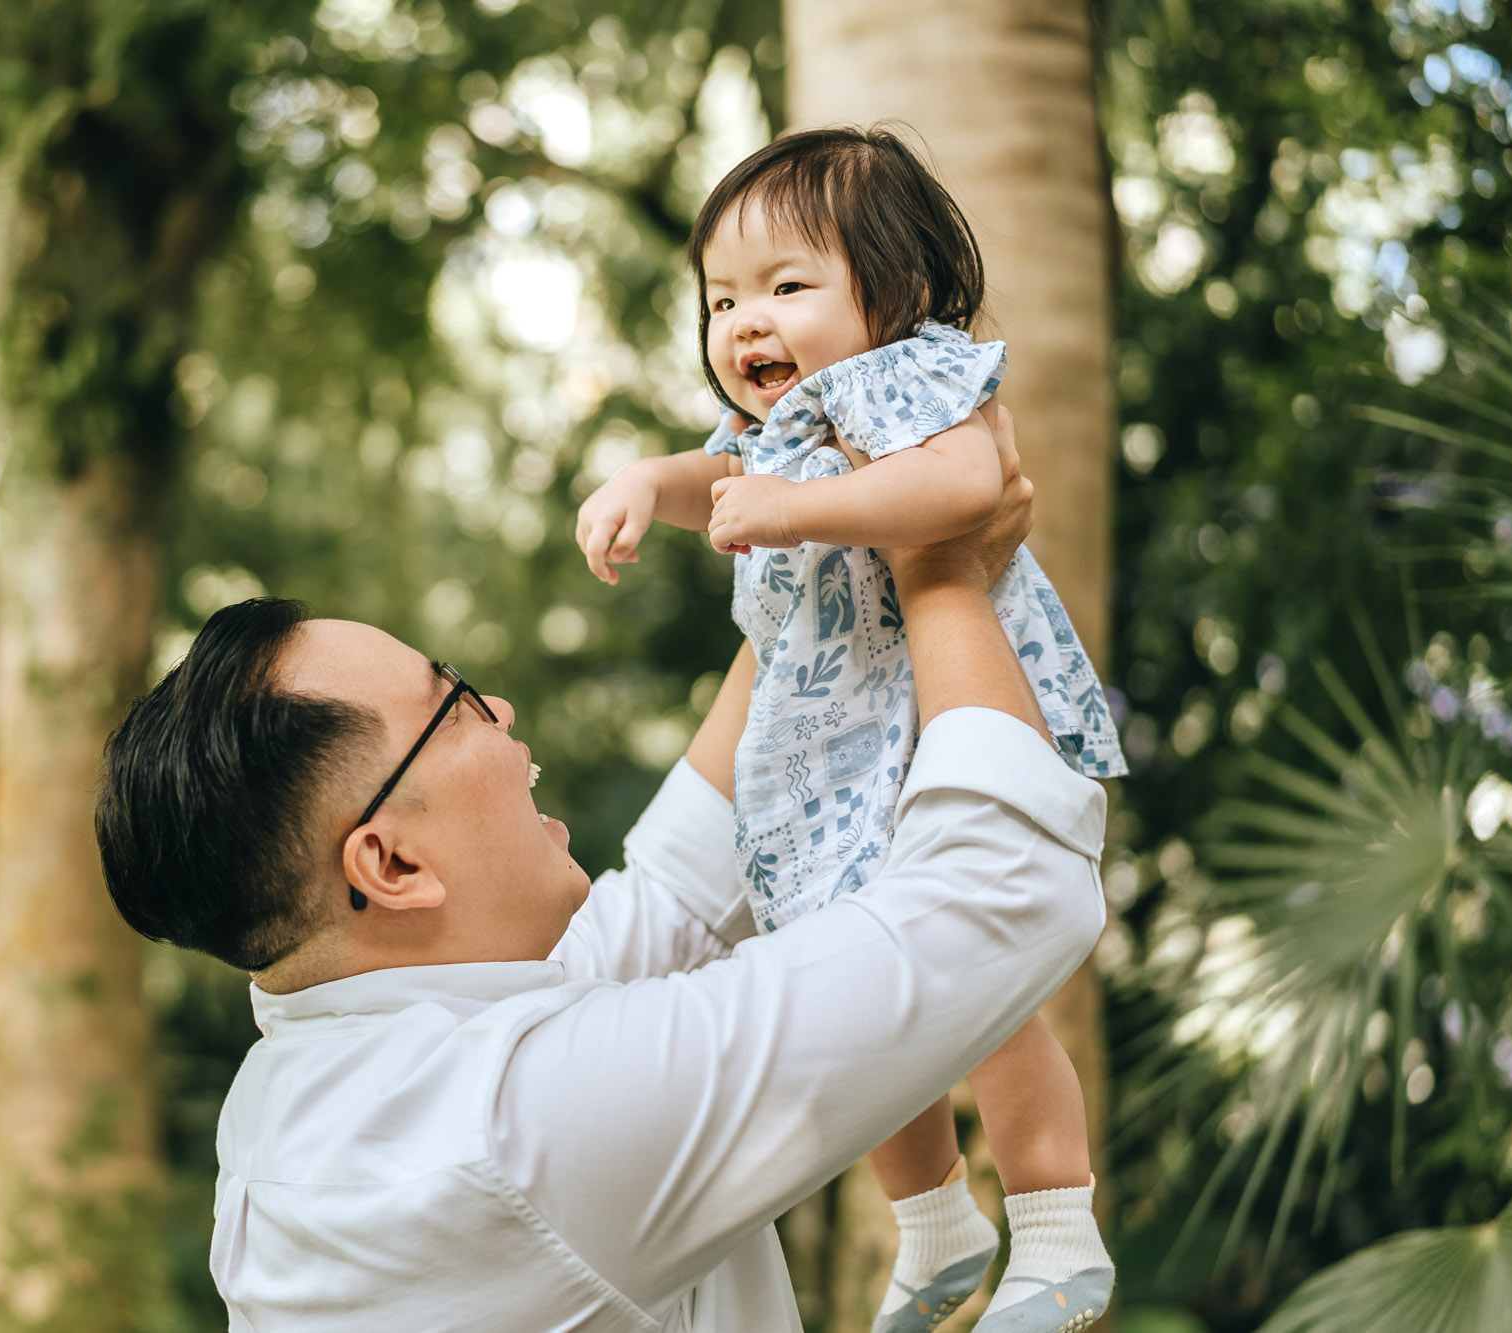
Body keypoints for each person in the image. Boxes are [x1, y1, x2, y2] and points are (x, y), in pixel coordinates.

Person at [94, 417, 1110, 1331]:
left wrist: (836, 547)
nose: (497, 710)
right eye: (450, 705)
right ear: (392, 862)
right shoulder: (506, 1131)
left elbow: (682, 890)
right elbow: (1000, 894)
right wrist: (941, 573)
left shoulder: (356, 1064)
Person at [574, 126, 1125, 1332]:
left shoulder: (900, 378)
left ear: (901, 291)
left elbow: (960, 487)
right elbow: (703, 478)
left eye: (784, 285)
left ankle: (1054, 1226)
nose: (742, 324)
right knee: (863, 1008)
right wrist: (638, 488)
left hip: (941, 732)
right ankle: (933, 1224)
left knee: (988, 1006)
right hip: (826, 763)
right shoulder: (770, 435)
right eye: (721, 299)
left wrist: (798, 510)